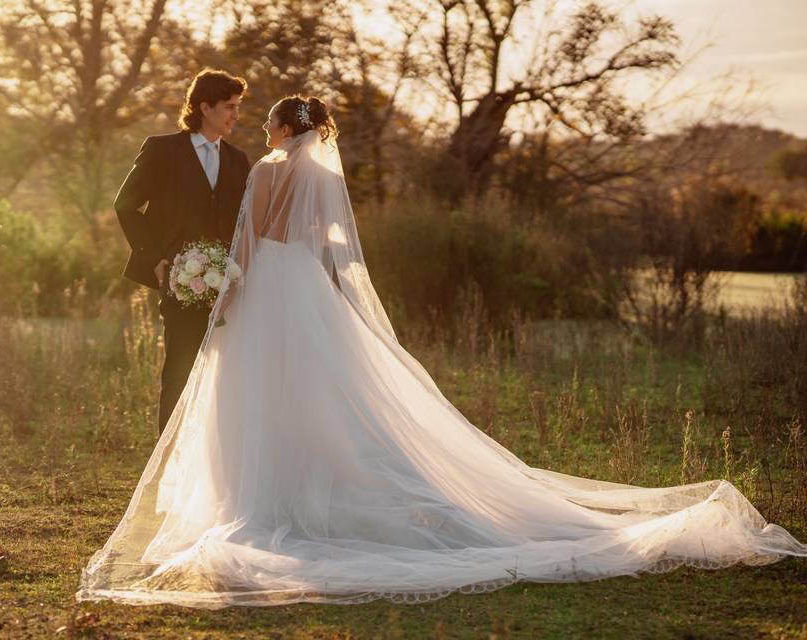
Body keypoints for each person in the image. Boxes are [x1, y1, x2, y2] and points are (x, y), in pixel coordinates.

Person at [80, 96, 806, 609]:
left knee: (255, 395)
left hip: (267, 286)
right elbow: (335, 251)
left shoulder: (266, 170)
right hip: (309, 291)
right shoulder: (324, 177)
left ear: (282, 128)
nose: (260, 125)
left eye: (267, 118)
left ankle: (263, 497)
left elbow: (245, 243)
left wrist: (227, 289)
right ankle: (318, 490)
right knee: (328, 395)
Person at [113, 68, 251, 434]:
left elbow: (243, 222)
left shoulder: (239, 161)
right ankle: (167, 464)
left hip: (228, 284)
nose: (235, 115)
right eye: (229, 107)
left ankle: (212, 465)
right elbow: (126, 205)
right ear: (204, 107)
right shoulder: (162, 150)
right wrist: (155, 261)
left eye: (237, 107)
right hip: (178, 280)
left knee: (226, 375)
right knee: (179, 369)